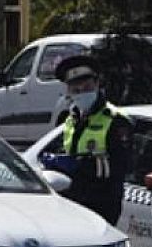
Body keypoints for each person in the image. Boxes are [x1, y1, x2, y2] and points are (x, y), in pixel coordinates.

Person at [38, 54, 134, 225]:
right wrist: (56, 161)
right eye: (76, 89)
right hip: (71, 203)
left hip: (101, 205)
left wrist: (80, 165)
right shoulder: (71, 119)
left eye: (86, 86)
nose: (81, 92)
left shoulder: (116, 120)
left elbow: (121, 165)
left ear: (97, 84)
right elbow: (68, 151)